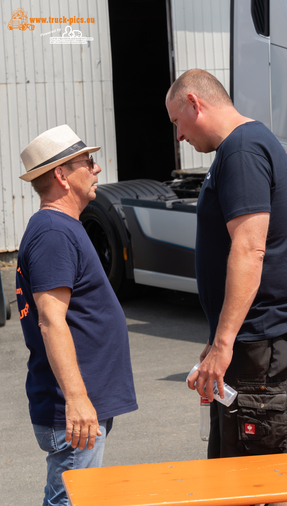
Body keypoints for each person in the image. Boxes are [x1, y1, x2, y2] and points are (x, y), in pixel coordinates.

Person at [166, 69, 287, 506]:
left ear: (195, 103)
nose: (178, 136)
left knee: (262, 476)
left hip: (261, 344)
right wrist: (219, 338)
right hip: (262, 341)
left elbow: (250, 250)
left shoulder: (242, 152)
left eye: (177, 121)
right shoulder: (250, 144)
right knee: (256, 472)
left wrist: (224, 342)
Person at [16, 125, 138, 506]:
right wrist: (77, 398)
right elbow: (51, 320)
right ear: (61, 175)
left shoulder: (63, 227)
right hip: (75, 409)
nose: (97, 169)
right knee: (71, 502)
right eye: (87, 161)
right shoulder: (53, 232)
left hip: (85, 404)